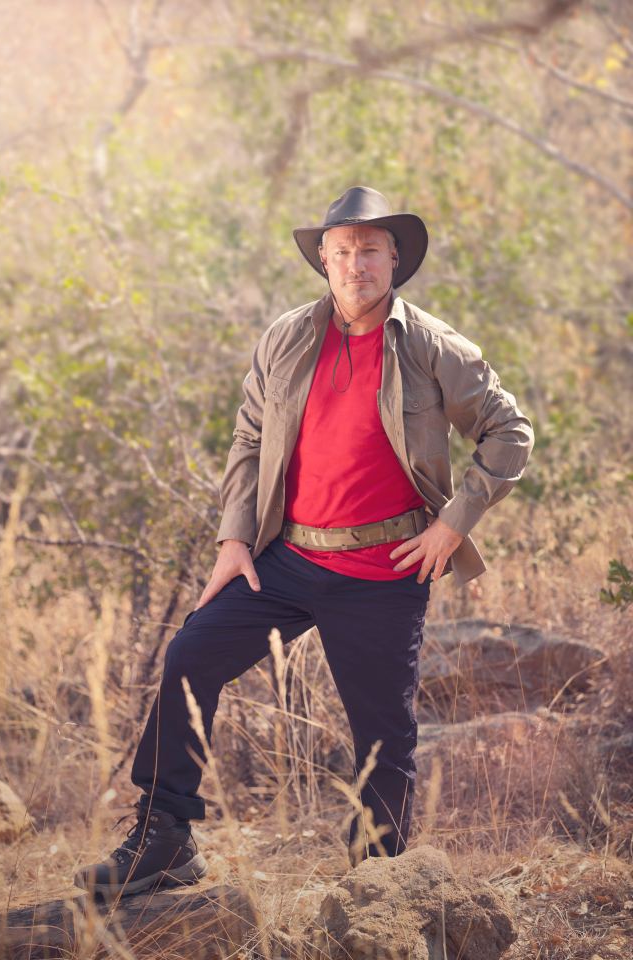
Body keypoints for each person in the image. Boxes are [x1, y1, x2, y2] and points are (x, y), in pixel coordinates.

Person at [75, 186, 534, 897]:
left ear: (395, 259)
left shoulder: (438, 349)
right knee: (190, 654)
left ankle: (374, 890)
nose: (357, 265)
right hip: (285, 559)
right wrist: (234, 540)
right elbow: (251, 437)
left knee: (384, 737)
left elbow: (511, 433)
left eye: (371, 251)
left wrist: (454, 522)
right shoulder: (287, 337)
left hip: (384, 568)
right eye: (343, 251)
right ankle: (164, 838)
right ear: (323, 259)